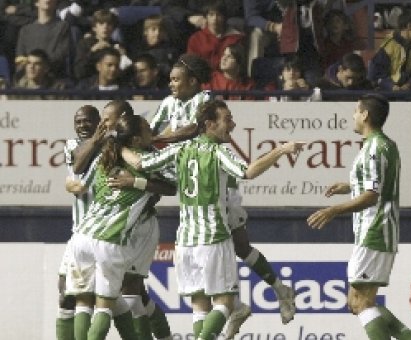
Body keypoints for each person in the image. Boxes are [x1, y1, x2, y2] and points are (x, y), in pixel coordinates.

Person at [121, 99, 305, 339]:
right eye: (227, 120)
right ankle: (277, 292)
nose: (233, 124)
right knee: (225, 303)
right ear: (209, 124)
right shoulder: (218, 151)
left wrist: (116, 145)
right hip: (214, 238)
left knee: (200, 307)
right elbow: (247, 172)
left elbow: (141, 162)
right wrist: (281, 150)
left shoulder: (180, 149)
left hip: (185, 241)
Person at [307, 94, 411, 340]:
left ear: (366, 115)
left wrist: (333, 210)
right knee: (357, 302)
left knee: (361, 303)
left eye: (356, 111)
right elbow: (378, 184)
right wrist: (349, 186)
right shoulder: (384, 144)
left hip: (375, 229)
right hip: (375, 230)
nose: (353, 115)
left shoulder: (374, 148)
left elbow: (371, 196)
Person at [65, 111, 177, 340]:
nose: (153, 133)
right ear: (136, 139)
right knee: (105, 306)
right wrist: (137, 182)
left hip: (82, 236)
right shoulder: (146, 161)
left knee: (85, 302)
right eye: (148, 130)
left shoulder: (105, 156)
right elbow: (171, 188)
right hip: (108, 240)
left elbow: (81, 182)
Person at [57, 105, 100, 340]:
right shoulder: (72, 145)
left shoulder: (112, 147)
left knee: (129, 299)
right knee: (65, 295)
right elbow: (77, 170)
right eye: (78, 121)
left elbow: (77, 185)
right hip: (80, 232)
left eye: (87, 121)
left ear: (99, 122)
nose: (82, 125)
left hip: (104, 233)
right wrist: (97, 140)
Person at [150, 53, 213, 143]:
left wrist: (157, 139)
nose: (170, 84)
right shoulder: (168, 101)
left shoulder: (205, 97)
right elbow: (151, 129)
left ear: (192, 81)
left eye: (175, 80)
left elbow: (193, 128)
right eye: (170, 80)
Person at [367, 8, 411, 91]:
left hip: (409, 91)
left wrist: (410, 84)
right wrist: (391, 86)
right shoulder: (388, 45)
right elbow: (376, 74)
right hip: (386, 91)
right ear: (409, 26)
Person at [14, 0, 72, 79]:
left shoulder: (63, 27)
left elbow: (61, 55)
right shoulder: (25, 30)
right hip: (29, 79)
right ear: (36, 2)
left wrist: (41, 65)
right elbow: (20, 58)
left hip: (53, 78)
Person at [73, 9, 130, 81]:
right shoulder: (84, 44)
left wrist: (123, 57)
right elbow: (78, 72)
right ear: (94, 27)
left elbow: (126, 75)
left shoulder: (118, 46)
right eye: (101, 23)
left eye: (109, 24)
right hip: (89, 85)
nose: (105, 27)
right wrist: (92, 51)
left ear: (113, 28)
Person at [187, 1, 244, 71]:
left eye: (219, 15)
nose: (215, 19)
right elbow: (191, 65)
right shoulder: (196, 39)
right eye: (211, 15)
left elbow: (237, 66)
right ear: (206, 17)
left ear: (224, 17)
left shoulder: (235, 38)